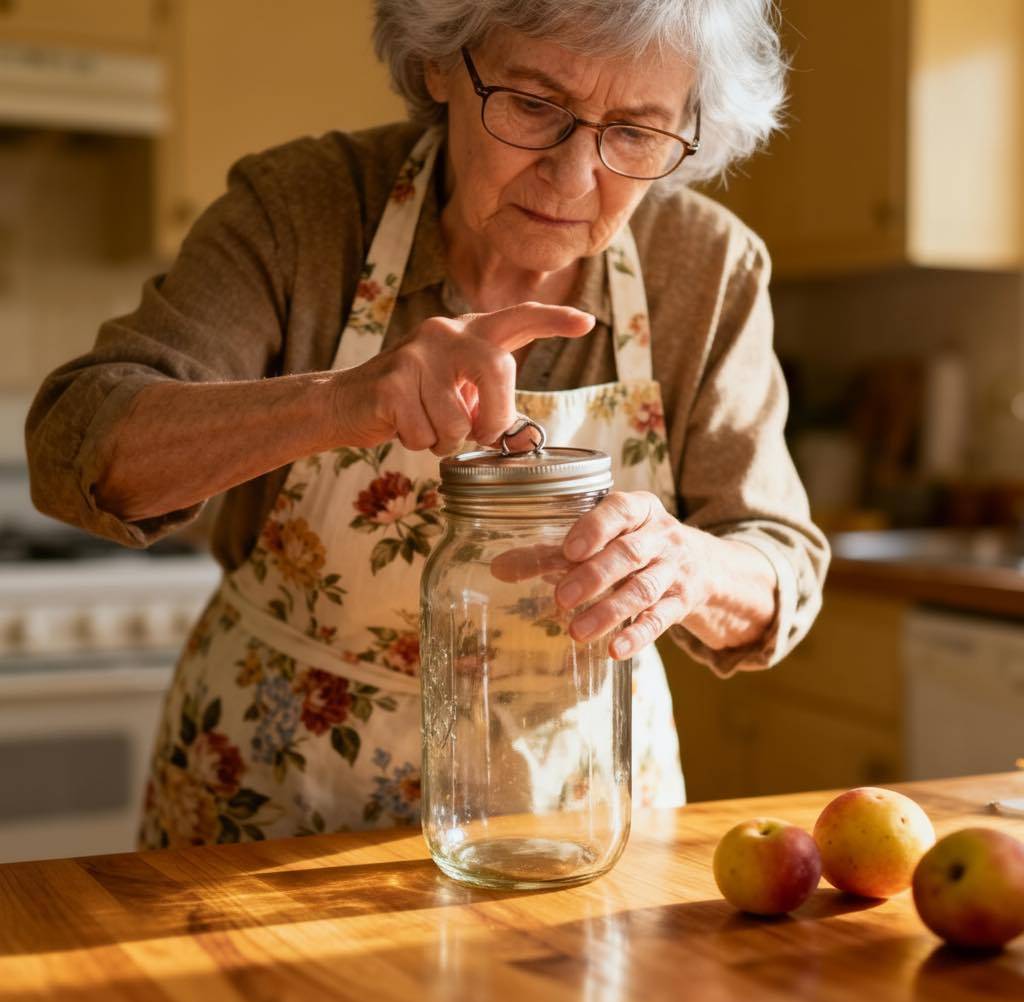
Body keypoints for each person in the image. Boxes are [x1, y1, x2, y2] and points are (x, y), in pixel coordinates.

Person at [25, 0, 829, 847]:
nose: (573, 177)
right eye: (533, 104)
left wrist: (692, 568)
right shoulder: (302, 211)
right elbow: (72, 445)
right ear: (441, 62)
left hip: (571, 822)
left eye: (634, 132)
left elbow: (778, 561)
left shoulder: (705, 267)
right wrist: (338, 402)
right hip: (270, 803)